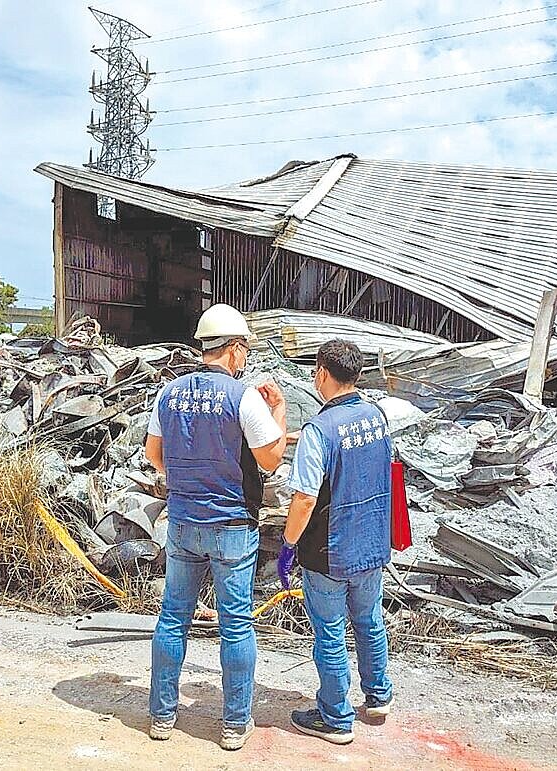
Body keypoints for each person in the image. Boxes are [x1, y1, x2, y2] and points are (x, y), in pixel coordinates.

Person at [145, 303, 287, 751]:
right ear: (236, 349)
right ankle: (233, 724)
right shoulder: (242, 396)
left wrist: (187, 479)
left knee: (173, 618)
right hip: (231, 526)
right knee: (236, 624)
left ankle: (162, 718)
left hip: (183, 521)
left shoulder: (168, 394)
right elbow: (271, 458)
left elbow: (154, 454)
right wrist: (278, 410)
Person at [277, 339, 394, 745]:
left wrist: (288, 545)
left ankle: (335, 718)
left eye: (315, 372)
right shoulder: (376, 416)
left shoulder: (320, 429)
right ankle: (378, 697)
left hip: (330, 551)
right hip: (372, 542)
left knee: (329, 632)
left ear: (323, 373)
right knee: (368, 620)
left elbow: (305, 497)